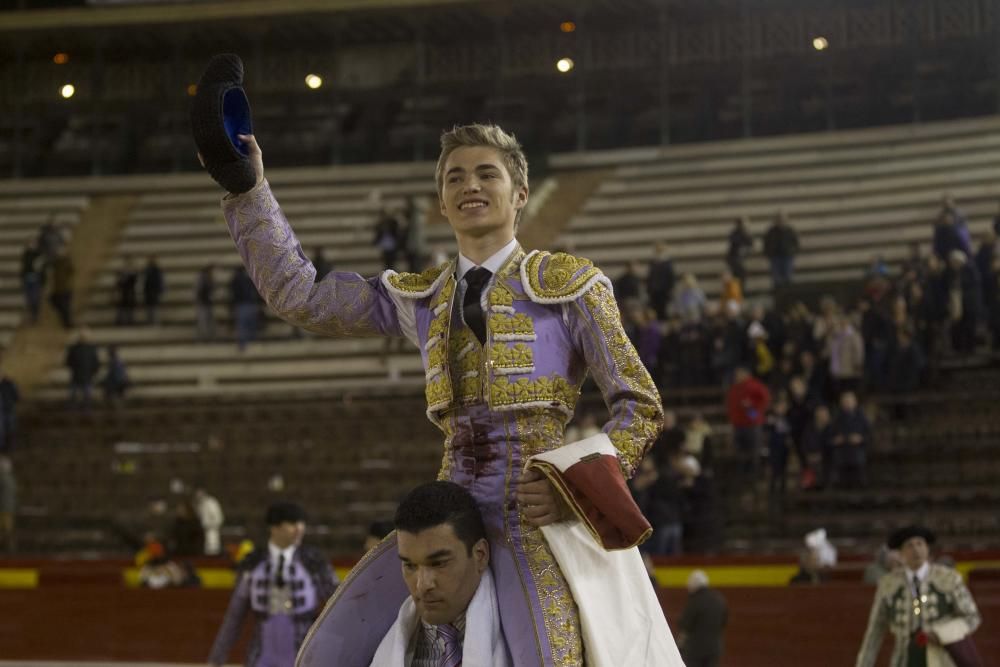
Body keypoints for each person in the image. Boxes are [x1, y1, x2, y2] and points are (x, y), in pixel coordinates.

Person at [209, 120, 676, 666]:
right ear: (441, 200)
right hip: (442, 519)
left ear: (519, 193)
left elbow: (640, 405)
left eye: (486, 174)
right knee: (329, 656)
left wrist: (572, 491)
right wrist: (249, 191)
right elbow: (300, 296)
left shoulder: (571, 287)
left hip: (536, 520)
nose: (469, 186)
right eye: (455, 178)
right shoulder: (421, 297)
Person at [370, 481, 508, 666]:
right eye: (410, 565)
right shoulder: (368, 645)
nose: (422, 585)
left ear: (480, 555)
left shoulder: (528, 642)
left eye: (439, 563)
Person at [209, 501, 338, 667]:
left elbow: (338, 602)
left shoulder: (313, 562)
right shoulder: (253, 563)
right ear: (274, 527)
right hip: (262, 650)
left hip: (303, 649)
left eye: (301, 523)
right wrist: (217, 658)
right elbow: (235, 615)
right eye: (292, 523)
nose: (299, 528)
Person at [856, 525, 982, 667]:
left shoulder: (949, 578)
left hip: (941, 657)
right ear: (901, 553)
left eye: (920, 544)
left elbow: (972, 617)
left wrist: (942, 633)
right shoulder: (888, 584)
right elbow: (875, 630)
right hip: (904, 658)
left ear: (927, 549)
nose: (916, 549)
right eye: (909, 545)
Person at [726, 366, 771, 478]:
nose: (737, 376)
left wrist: (753, 407)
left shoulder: (755, 385)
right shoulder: (734, 388)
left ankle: (755, 475)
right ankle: (742, 476)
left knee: (754, 452)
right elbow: (730, 406)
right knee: (740, 454)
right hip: (738, 425)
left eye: (739, 373)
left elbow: (765, 399)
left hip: (752, 424)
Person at [677, 570, 728, 667]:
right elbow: (724, 621)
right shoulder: (719, 599)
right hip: (715, 647)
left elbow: (684, 624)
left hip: (695, 649)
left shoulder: (695, 601)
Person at [830, 391, 871, 488]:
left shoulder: (862, 418)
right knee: (843, 486)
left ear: (855, 402)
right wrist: (836, 440)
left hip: (857, 457)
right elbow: (830, 437)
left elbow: (869, 436)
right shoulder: (836, 419)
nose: (847, 403)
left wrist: (860, 439)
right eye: (845, 401)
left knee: (859, 485)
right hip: (841, 457)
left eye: (849, 401)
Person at [763, 211, 799, 288]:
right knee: (776, 279)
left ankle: (789, 293)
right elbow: (766, 243)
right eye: (779, 219)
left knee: (788, 277)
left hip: (787, 257)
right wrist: (768, 253)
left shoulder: (790, 231)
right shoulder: (771, 231)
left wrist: (792, 252)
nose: (781, 221)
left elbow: (796, 243)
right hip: (775, 257)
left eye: (782, 219)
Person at [65, 328, 100, 410]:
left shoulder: (74, 348)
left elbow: (68, 362)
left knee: (77, 394)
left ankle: (77, 407)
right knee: (83, 395)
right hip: (84, 375)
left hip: (79, 375)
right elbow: (96, 363)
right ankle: (82, 407)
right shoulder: (91, 349)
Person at [646, 242, 676, 320]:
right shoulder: (653, 262)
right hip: (654, 290)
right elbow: (650, 276)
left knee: (663, 309)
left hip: (664, 290)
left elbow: (670, 276)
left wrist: (670, 288)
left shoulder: (667, 262)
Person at [193, 487, 225, 556]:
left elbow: (219, 518)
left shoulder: (211, 503)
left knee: (212, 551)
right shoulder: (199, 504)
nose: (198, 495)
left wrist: (208, 525)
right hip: (201, 531)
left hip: (211, 531)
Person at [48, 247, 74, 329]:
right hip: (57, 289)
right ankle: (65, 322)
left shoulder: (66, 262)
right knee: (57, 304)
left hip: (65, 289)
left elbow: (72, 271)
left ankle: (67, 322)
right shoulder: (55, 263)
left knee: (66, 307)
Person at [20, 240, 43, 324]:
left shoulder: (38, 254)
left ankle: (35, 315)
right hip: (27, 278)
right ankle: (31, 315)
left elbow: (40, 268)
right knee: (29, 299)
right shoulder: (26, 254)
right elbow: (24, 267)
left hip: (36, 279)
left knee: (35, 298)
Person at [726, 217, 754, 289]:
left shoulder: (747, 233)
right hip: (734, 258)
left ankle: (741, 291)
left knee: (742, 276)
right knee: (736, 276)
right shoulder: (735, 233)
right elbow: (733, 242)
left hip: (742, 259)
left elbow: (750, 244)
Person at [0, 354, 19, 452]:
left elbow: (16, 396)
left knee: (9, 429)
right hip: (7, 409)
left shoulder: (9, 383)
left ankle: (9, 447)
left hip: (8, 408)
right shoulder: (9, 382)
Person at [115, 257, 139, 325]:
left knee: (130, 308)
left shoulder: (134, 274)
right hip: (123, 293)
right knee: (122, 307)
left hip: (131, 293)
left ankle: (130, 321)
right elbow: (118, 283)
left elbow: (136, 283)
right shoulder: (121, 273)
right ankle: (120, 321)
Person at [195, 264, 216, 341]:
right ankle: (203, 338)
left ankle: (208, 337)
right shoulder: (203, 279)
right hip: (203, 303)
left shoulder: (209, 279)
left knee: (208, 321)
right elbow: (199, 291)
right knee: (203, 321)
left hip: (207, 303)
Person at [142, 255, 165, 325]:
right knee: (149, 308)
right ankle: (149, 321)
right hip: (148, 291)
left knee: (155, 307)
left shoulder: (157, 270)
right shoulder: (146, 270)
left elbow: (161, 281)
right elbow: (143, 281)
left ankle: (155, 321)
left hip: (155, 291)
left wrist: (161, 290)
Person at [0, 456, 15, 553]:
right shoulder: (11, 479)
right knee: (7, 531)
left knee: (4, 531)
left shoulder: (2, 479)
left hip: (3, 509)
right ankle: (9, 549)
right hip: (9, 509)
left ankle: (7, 549)